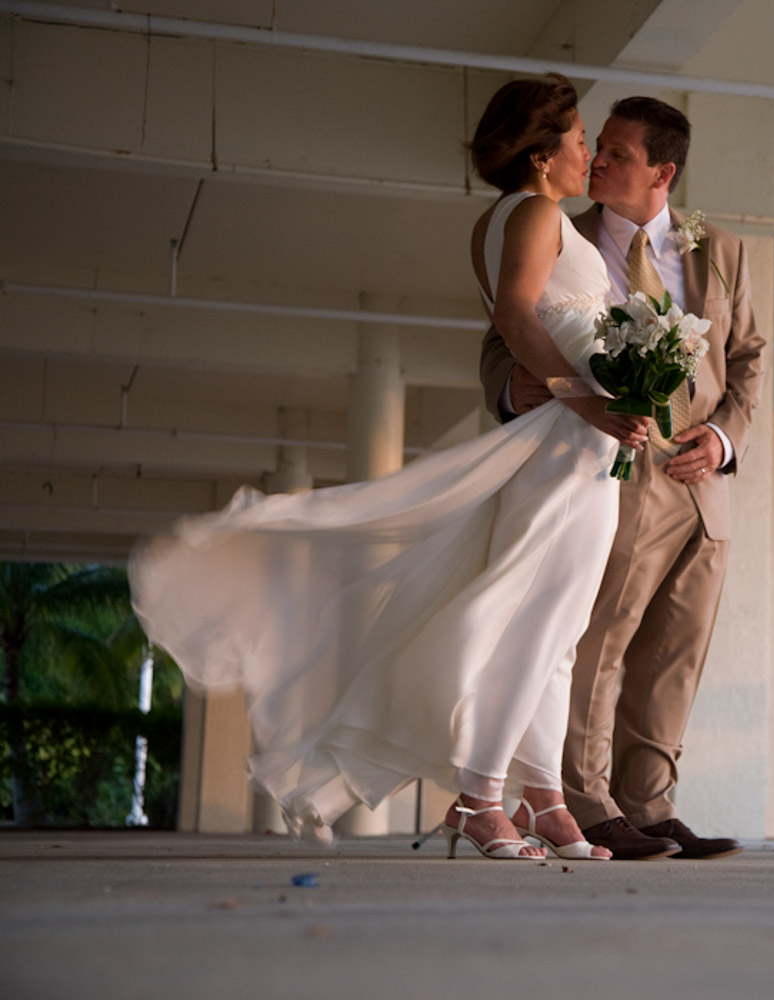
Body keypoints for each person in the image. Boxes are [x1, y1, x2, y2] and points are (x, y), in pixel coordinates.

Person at [129, 76, 649, 860]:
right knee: (537, 619)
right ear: (543, 155)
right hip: (565, 443)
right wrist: (590, 402)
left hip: (575, 444)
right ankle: (479, 800)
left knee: (560, 627)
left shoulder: (509, 214)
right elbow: (515, 315)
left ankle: (545, 799)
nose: (587, 152)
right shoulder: (538, 213)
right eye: (579, 139)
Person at [480, 97, 765, 860]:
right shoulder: (558, 235)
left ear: (662, 172)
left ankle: (650, 806)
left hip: (704, 483)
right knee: (595, 643)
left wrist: (724, 438)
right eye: (594, 146)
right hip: (616, 466)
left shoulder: (723, 251)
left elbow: (748, 359)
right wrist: (521, 387)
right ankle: (585, 800)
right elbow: (502, 338)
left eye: (617, 152)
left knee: (676, 653)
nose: (597, 160)